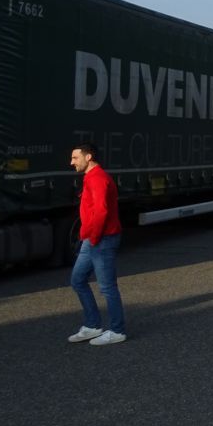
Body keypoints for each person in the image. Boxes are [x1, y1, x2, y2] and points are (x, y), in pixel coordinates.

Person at [67, 142, 127, 346]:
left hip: (102, 239)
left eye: (75, 158)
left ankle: (118, 331)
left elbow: (101, 212)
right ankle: (93, 326)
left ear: (88, 157)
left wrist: (92, 237)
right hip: (92, 239)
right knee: (77, 280)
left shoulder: (98, 178)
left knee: (107, 287)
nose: (71, 162)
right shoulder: (90, 177)